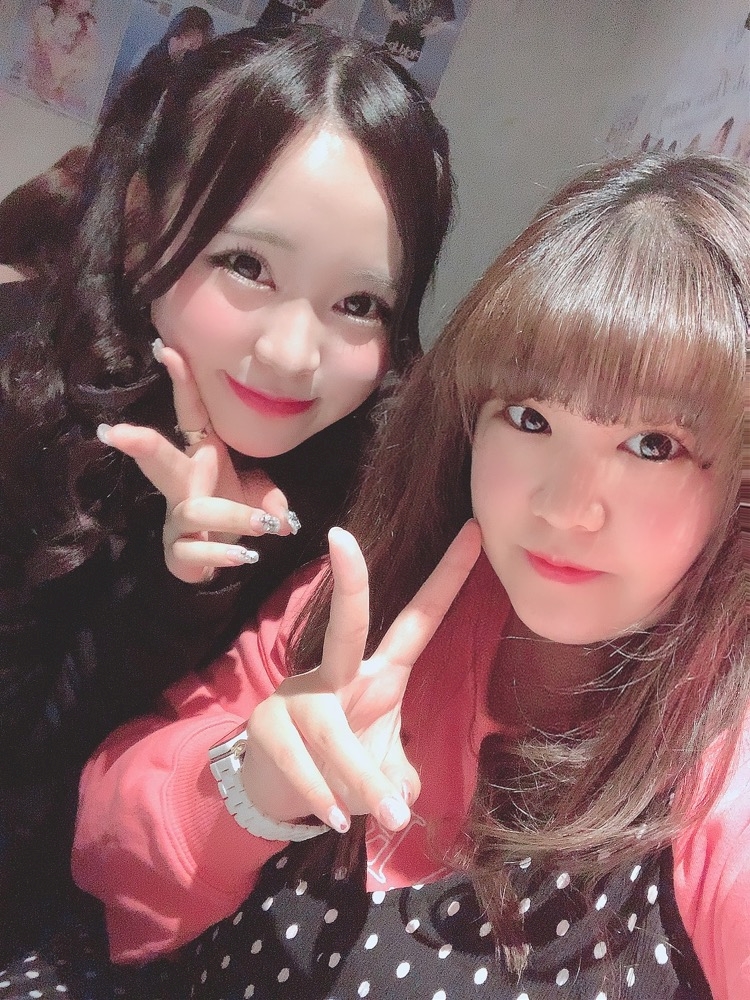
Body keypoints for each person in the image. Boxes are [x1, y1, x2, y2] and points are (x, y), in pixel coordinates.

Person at [75, 152, 748, 1000]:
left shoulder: (724, 754)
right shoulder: (373, 594)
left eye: (654, 445)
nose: (567, 507)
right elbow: (106, 842)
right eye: (530, 417)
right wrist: (249, 785)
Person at [0, 22, 452, 975]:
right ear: (142, 226)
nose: (291, 355)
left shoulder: (363, 476)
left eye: (359, 304)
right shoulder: (21, 394)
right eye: (247, 265)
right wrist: (169, 593)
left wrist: (192, 585)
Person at [23, 0, 99, 113]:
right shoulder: (47, 12)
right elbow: (46, 47)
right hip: (35, 76)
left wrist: (85, 37)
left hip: (58, 84)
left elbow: (88, 62)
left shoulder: (86, 27)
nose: (77, 2)